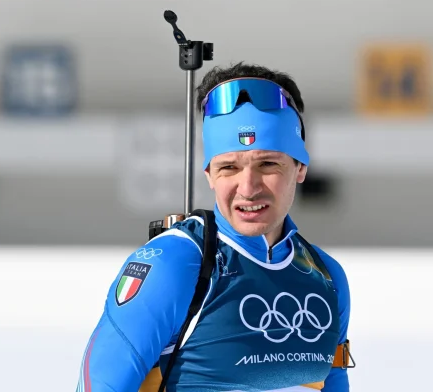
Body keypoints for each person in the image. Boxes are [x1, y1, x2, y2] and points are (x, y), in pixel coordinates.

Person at [76, 62, 353, 392]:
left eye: (268, 164)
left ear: (300, 167)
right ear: (209, 174)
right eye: (228, 168)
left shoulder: (326, 278)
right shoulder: (175, 264)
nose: (248, 188)